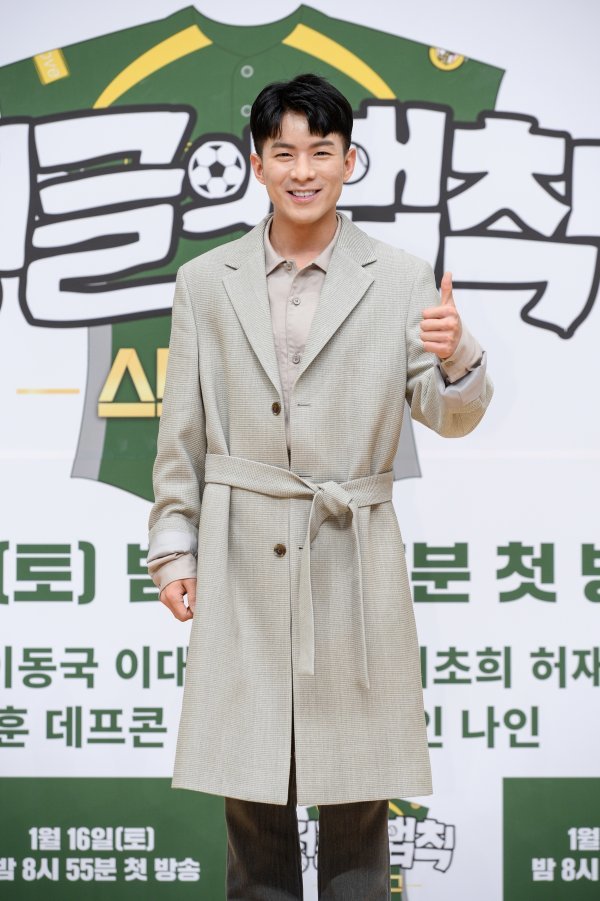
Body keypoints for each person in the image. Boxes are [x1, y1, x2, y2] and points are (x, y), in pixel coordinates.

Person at [147, 73, 492, 900]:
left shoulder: (400, 277)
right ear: (257, 164)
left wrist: (456, 353)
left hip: (352, 555)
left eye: (322, 152)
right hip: (241, 555)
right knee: (251, 792)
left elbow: (449, 416)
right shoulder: (206, 280)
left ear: (349, 161)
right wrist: (173, 548)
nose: (303, 171)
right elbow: (181, 431)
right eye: (285, 153)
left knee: (357, 792)